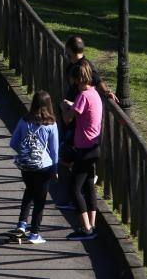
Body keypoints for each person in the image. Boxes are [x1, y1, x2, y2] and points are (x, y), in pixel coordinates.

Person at [55, 35, 116, 210]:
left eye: (66, 49)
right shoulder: (78, 65)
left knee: (69, 156)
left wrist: (108, 92)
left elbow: (98, 80)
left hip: (76, 119)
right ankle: (77, 193)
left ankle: (76, 195)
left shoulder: (84, 66)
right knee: (71, 157)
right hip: (73, 114)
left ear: (69, 50)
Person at [9, 90, 59, 244]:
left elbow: (13, 142)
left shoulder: (24, 121)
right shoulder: (51, 124)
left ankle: (22, 224)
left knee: (29, 192)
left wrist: (25, 153)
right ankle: (35, 233)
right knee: (40, 200)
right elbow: (55, 149)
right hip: (44, 166)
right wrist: (55, 170)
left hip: (26, 166)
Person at [62, 59, 103, 241]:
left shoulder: (82, 96)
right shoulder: (94, 94)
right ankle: (92, 225)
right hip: (94, 148)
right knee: (88, 186)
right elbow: (82, 111)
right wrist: (73, 106)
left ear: (78, 79)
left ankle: (86, 228)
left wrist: (65, 107)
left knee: (74, 189)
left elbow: (68, 119)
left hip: (83, 149)